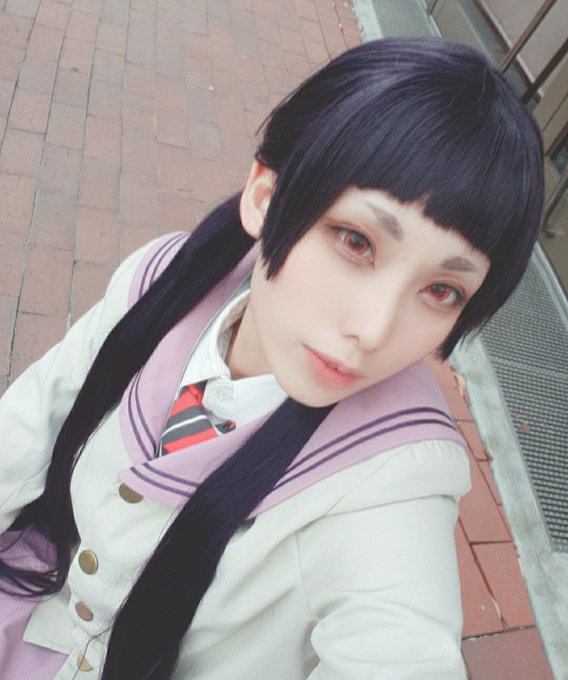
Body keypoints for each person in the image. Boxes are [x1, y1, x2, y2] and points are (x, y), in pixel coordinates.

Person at [0, 36, 543, 680]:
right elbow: (32, 418)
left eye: (441, 290)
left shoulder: (394, 481)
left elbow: (401, 645)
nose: (372, 331)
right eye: (356, 241)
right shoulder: (167, 278)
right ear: (264, 196)